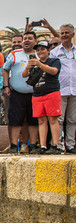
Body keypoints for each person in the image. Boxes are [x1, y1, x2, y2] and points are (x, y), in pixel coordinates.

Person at [2, 32, 39, 154]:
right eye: (25, 39)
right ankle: (13, 145)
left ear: (35, 40)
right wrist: (6, 85)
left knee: (33, 120)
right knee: (15, 120)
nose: (27, 41)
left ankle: (32, 145)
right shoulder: (14, 54)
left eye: (30, 38)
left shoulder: (39, 54)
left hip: (35, 93)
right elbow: (5, 70)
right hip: (17, 92)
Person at [23, 41, 62, 154]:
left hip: (51, 93)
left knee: (53, 119)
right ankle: (43, 145)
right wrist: (28, 67)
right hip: (37, 94)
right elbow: (24, 75)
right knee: (41, 120)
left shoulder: (54, 61)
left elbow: (54, 71)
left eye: (42, 49)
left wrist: (40, 65)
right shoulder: (35, 63)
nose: (40, 51)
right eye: (38, 50)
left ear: (48, 50)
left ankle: (55, 145)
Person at [50, 24, 76, 154]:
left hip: (74, 90)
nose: (64, 35)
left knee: (72, 120)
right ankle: (58, 144)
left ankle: (70, 145)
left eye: (67, 33)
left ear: (72, 34)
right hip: (60, 89)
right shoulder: (55, 52)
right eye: (62, 33)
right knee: (58, 119)